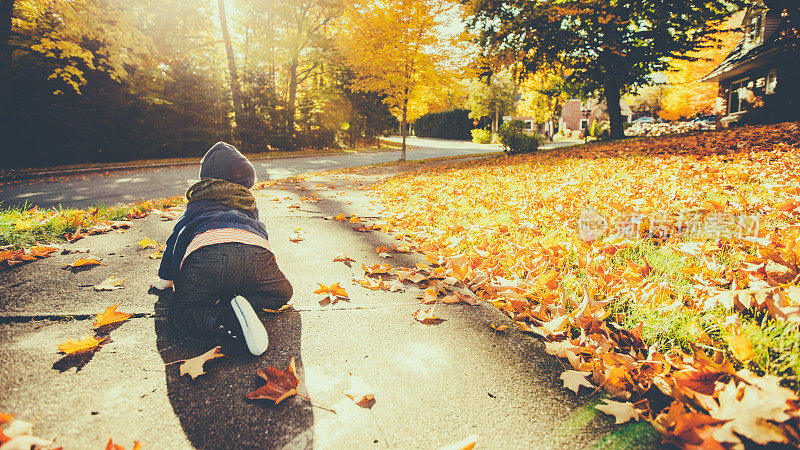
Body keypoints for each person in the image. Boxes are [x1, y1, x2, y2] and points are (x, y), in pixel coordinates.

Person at [149, 142, 293, 356]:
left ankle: (227, 318)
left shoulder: (196, 205)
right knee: (282, 293)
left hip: (207, 257)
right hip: (256, 254)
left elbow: (175, 240)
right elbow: (260, 234)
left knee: (180, 314)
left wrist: (166, 279)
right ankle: (244, 303)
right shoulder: (249, 203)